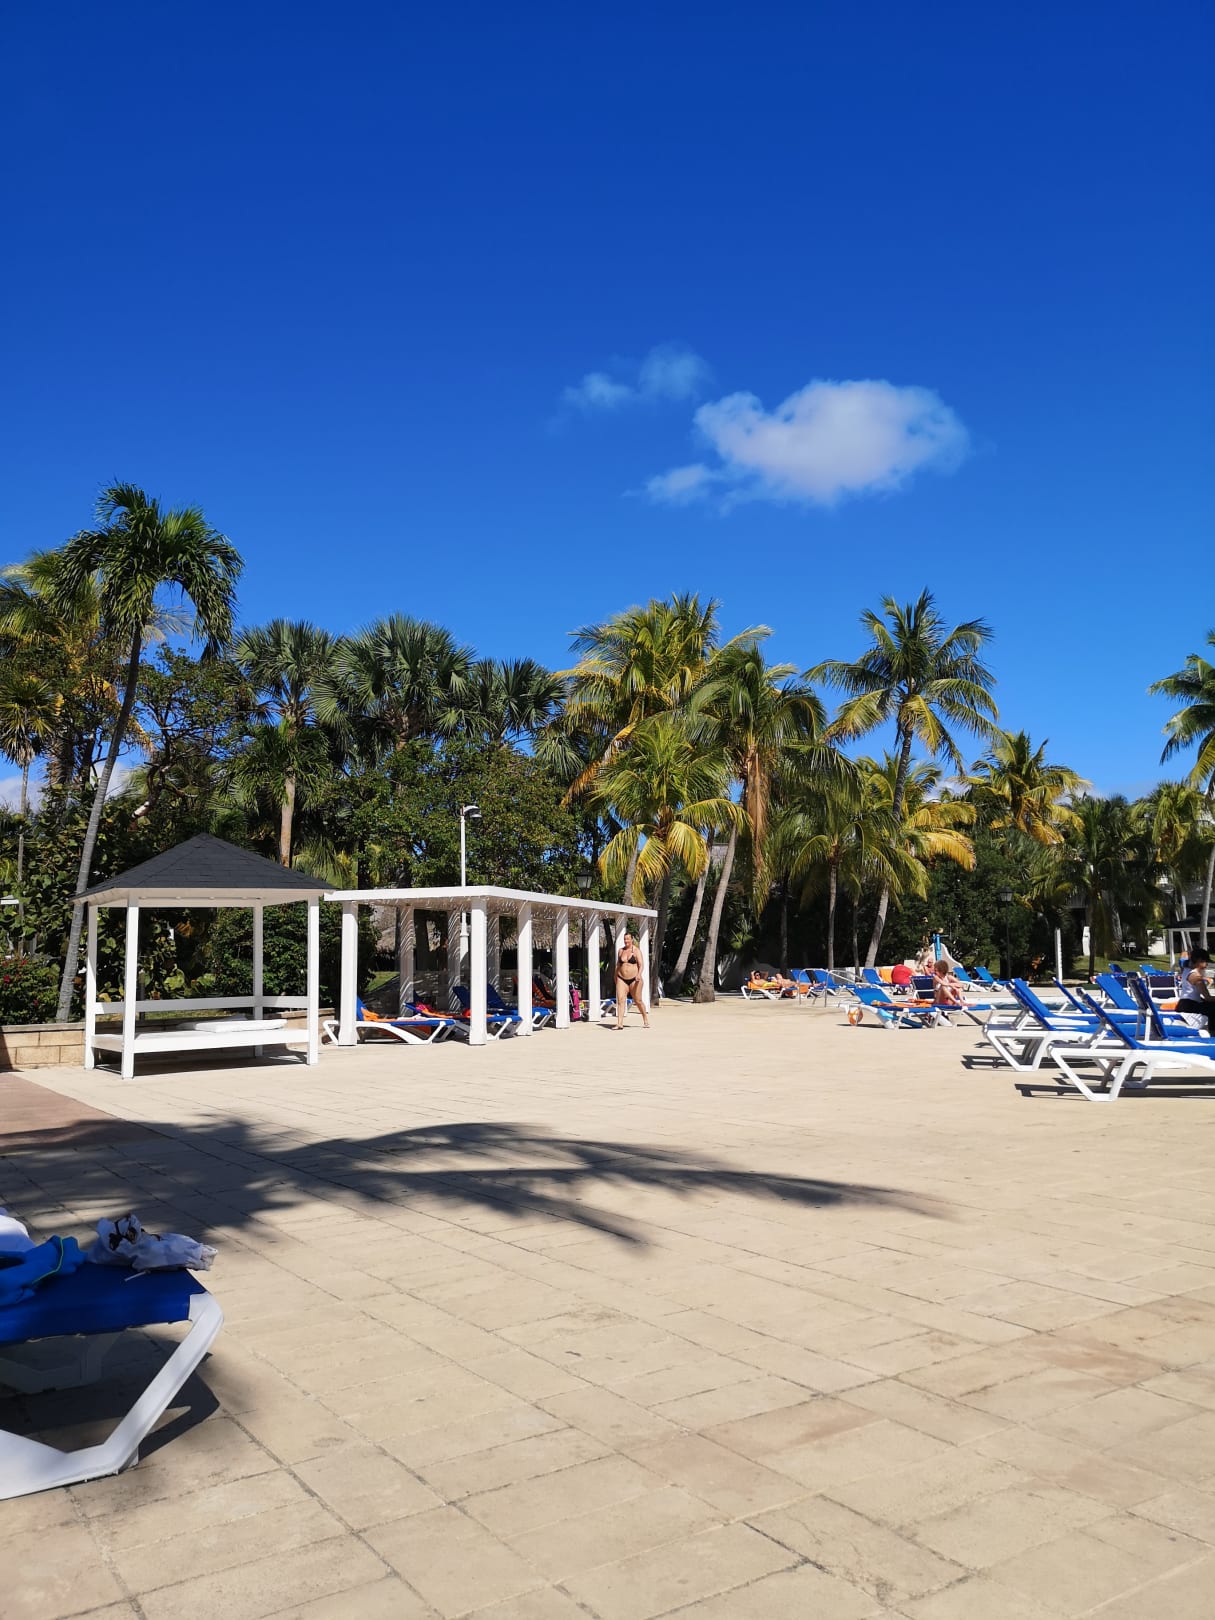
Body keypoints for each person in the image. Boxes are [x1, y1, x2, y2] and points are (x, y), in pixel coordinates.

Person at [614, 932, 650, 1029]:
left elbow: (641, 965)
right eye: (625, 939)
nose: (626, 941)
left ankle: (645, 1019)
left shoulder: (636, 951)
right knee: (621, 1000)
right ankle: (619, 1023)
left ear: (632, 939)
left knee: (638, 1000)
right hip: (621, 978)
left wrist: (639, 974)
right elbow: (618, 965)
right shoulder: (620, 951)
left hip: (634, 979)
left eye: (628, 939)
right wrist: (615, 976)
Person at [1175, 949, 1215, 1036]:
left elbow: (1183, 956)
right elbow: (1208, 997)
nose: (1207, 965)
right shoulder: (1195, 975)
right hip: (1189, 1006)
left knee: (1210, 1005)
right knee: (1213, 1007)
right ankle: (1213, 1033)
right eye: (1205, 962)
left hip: (1184, 1004)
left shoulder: (1186, 969)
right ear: (1199, 960)